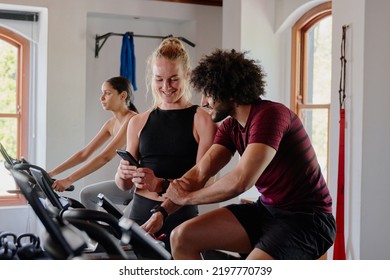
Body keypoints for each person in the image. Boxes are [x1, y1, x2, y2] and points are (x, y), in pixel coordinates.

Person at [164, 49, 336, 260]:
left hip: (308, 220)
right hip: (267, 211)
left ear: (229, 92)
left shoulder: (270, 115)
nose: (204, 102)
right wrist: (161, 212)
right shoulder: (231, 127)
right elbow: (200, 172)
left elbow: (240, 181)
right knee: (181, 237)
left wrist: (187, 199)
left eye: (209, 93)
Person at [115, 38, 217, 252]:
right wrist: (123, 174)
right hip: (140, 212)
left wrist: (161, 183)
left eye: (173, 79)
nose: (166, 87)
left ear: (187, 75)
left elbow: (207, 182)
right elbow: (123, 185)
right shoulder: (138, 121)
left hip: (181, 215)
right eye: (159, 79)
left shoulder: (202, 119)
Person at [48, 76, 138, 210]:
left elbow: (105, 157)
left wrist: (69, 180)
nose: (102, 98)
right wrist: (52, 174)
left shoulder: (132, 120)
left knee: (124, 227)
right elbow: (84, 154)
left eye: (107, 93)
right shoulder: (111, 124)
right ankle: (94, 231)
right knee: (87, 194)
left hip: (141, 186)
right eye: (102, 93)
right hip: (128, 183)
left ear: (123, 95)